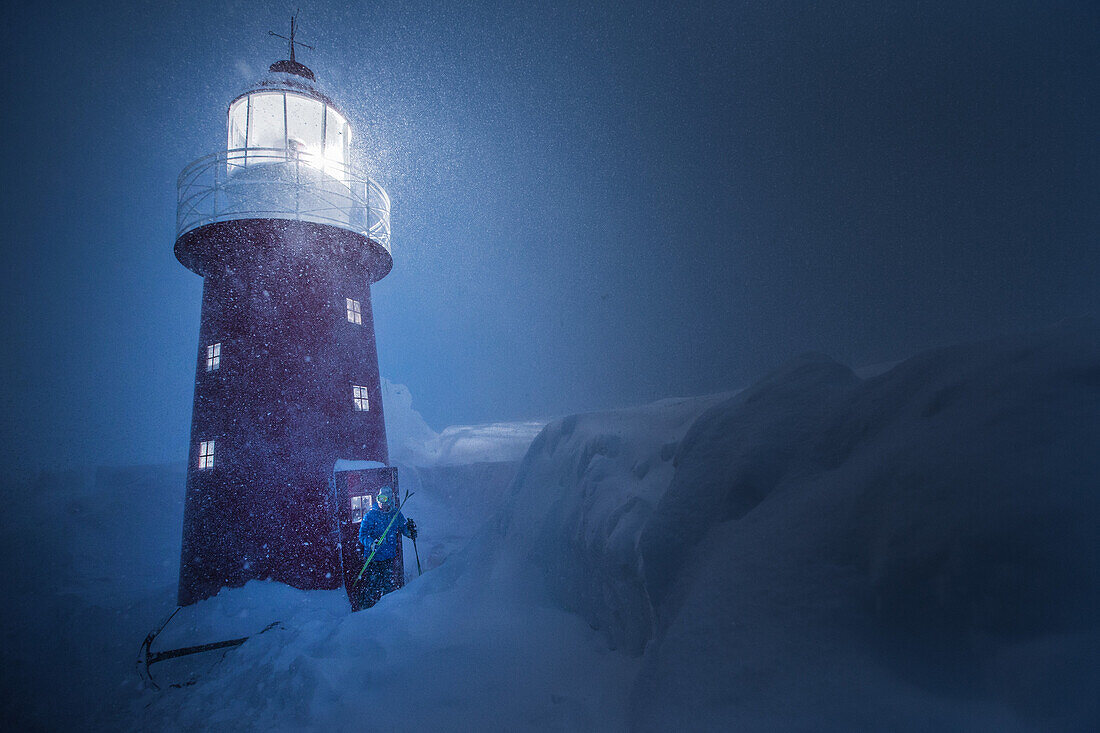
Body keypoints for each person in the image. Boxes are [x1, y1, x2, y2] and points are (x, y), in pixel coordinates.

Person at [356, 485, 417, 609]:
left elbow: (404, 528)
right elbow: (362, 535)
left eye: (386, 500)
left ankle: (388, 612)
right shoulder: (370, 516)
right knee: (373, 587)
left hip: (388, 558)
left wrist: (411, 532)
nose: (382, 504)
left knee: (387, 586)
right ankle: (368, 611)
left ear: (390, 500)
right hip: (373, 558)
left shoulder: (395, 514)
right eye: (380, 499)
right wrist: (371, 543)